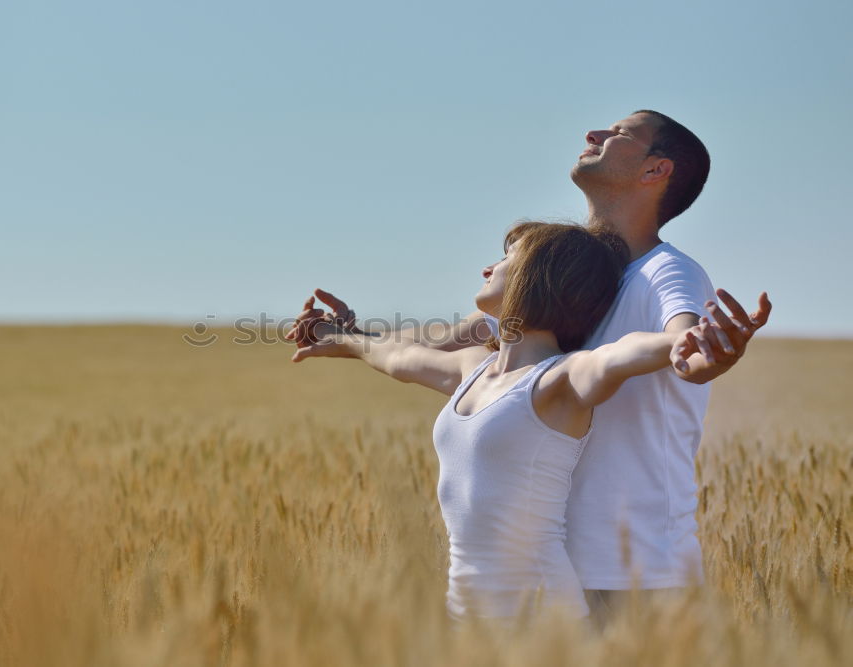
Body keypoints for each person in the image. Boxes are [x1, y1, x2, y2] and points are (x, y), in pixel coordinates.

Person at [287, 110, 772, 624]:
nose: (594, 134)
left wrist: (700, 355)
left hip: (632, 571)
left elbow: (679, 342)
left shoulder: (665, 271)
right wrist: (347, 335)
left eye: (621, 134)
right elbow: (431, 347)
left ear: (656, 171)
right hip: (556, 561)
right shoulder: (563, 285)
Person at [292, 221, 718, 621]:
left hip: (539, 615)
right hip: (466, 609)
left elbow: (619, 354)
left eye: (506, 258)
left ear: (540, 276)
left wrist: (684, 339)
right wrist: (339, 335)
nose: (487, 267)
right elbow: (398, 358)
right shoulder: (472, 368)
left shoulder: (558, 380)